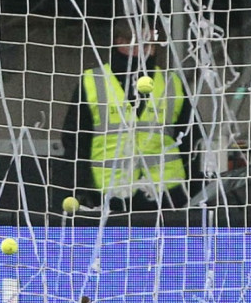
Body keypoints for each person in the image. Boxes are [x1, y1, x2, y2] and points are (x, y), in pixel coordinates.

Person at [57, 18, 204, 211]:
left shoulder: (172, 83)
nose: (148, 49)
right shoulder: (93, 82)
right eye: (141, 41)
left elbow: (192, 139)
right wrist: (80, 188)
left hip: (168, 193)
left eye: (151, 42)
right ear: (121, 42)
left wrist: (194, 190)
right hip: (109, 192)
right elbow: (76, 141)